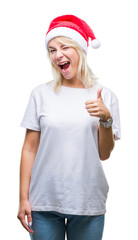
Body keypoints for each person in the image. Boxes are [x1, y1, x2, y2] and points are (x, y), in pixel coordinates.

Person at [17, 14, 121, 240]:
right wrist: (23, 198)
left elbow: (103, 154)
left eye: (64, 47)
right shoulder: (40, 94)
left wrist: (106, 118)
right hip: (43, 203)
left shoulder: (105, 97)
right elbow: (29, 149)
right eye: (52, 50)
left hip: (88, 202)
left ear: (81, 50)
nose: (58, 55)